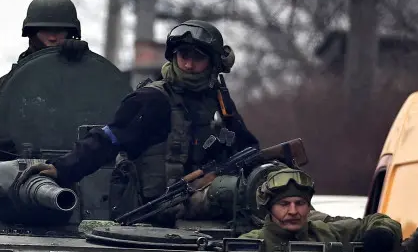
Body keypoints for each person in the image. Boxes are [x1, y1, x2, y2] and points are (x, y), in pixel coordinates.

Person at [21, 20, 257, 222]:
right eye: (184, 56)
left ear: (213, 64)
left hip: (204, 207)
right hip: (158, 209)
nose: (188, 65)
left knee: (255, 188)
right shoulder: (153, 99)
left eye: (198, 58)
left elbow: (247, 148)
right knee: (231, 191)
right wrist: (62, 169)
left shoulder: (217, 101)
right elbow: (108, 139)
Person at [0, 0, 90, 160]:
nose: (53, 38)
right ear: (31, 33)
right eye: (45, 31)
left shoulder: (87, 78)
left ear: (71, 33)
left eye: (60, 31)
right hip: (20, 170)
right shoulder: (11, 83)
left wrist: (84, 64)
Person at [239, 167, 403, 252]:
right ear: (269, 208)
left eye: (300, 203)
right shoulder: (249, 243)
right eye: (284, 204)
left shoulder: (326, 233)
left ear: (309, 206)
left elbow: (376, 220)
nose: (293, 211)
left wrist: (382, 233)